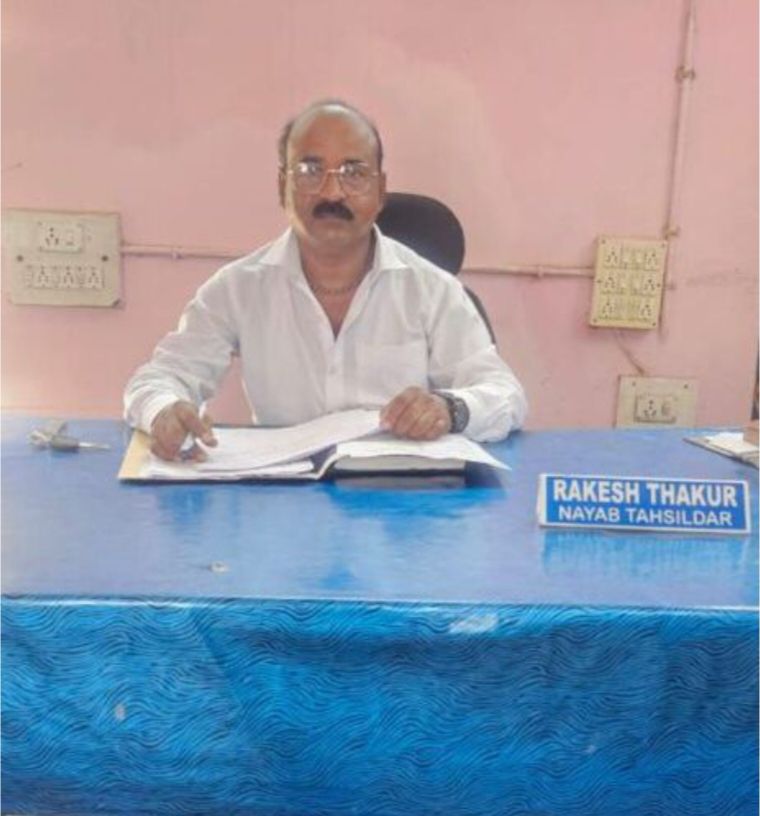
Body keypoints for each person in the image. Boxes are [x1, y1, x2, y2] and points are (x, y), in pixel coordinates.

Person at [124, 99, 527, 461]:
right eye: (310, 170)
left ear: (380, 190)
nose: (332, 192)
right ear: (282, 186)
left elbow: (505, 395)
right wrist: (164, 410)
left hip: (401, 500)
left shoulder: (431, 290)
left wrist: (449, 409)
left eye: (354, 173)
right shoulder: (238, 288)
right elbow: (158, 379)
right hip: (284, 499)